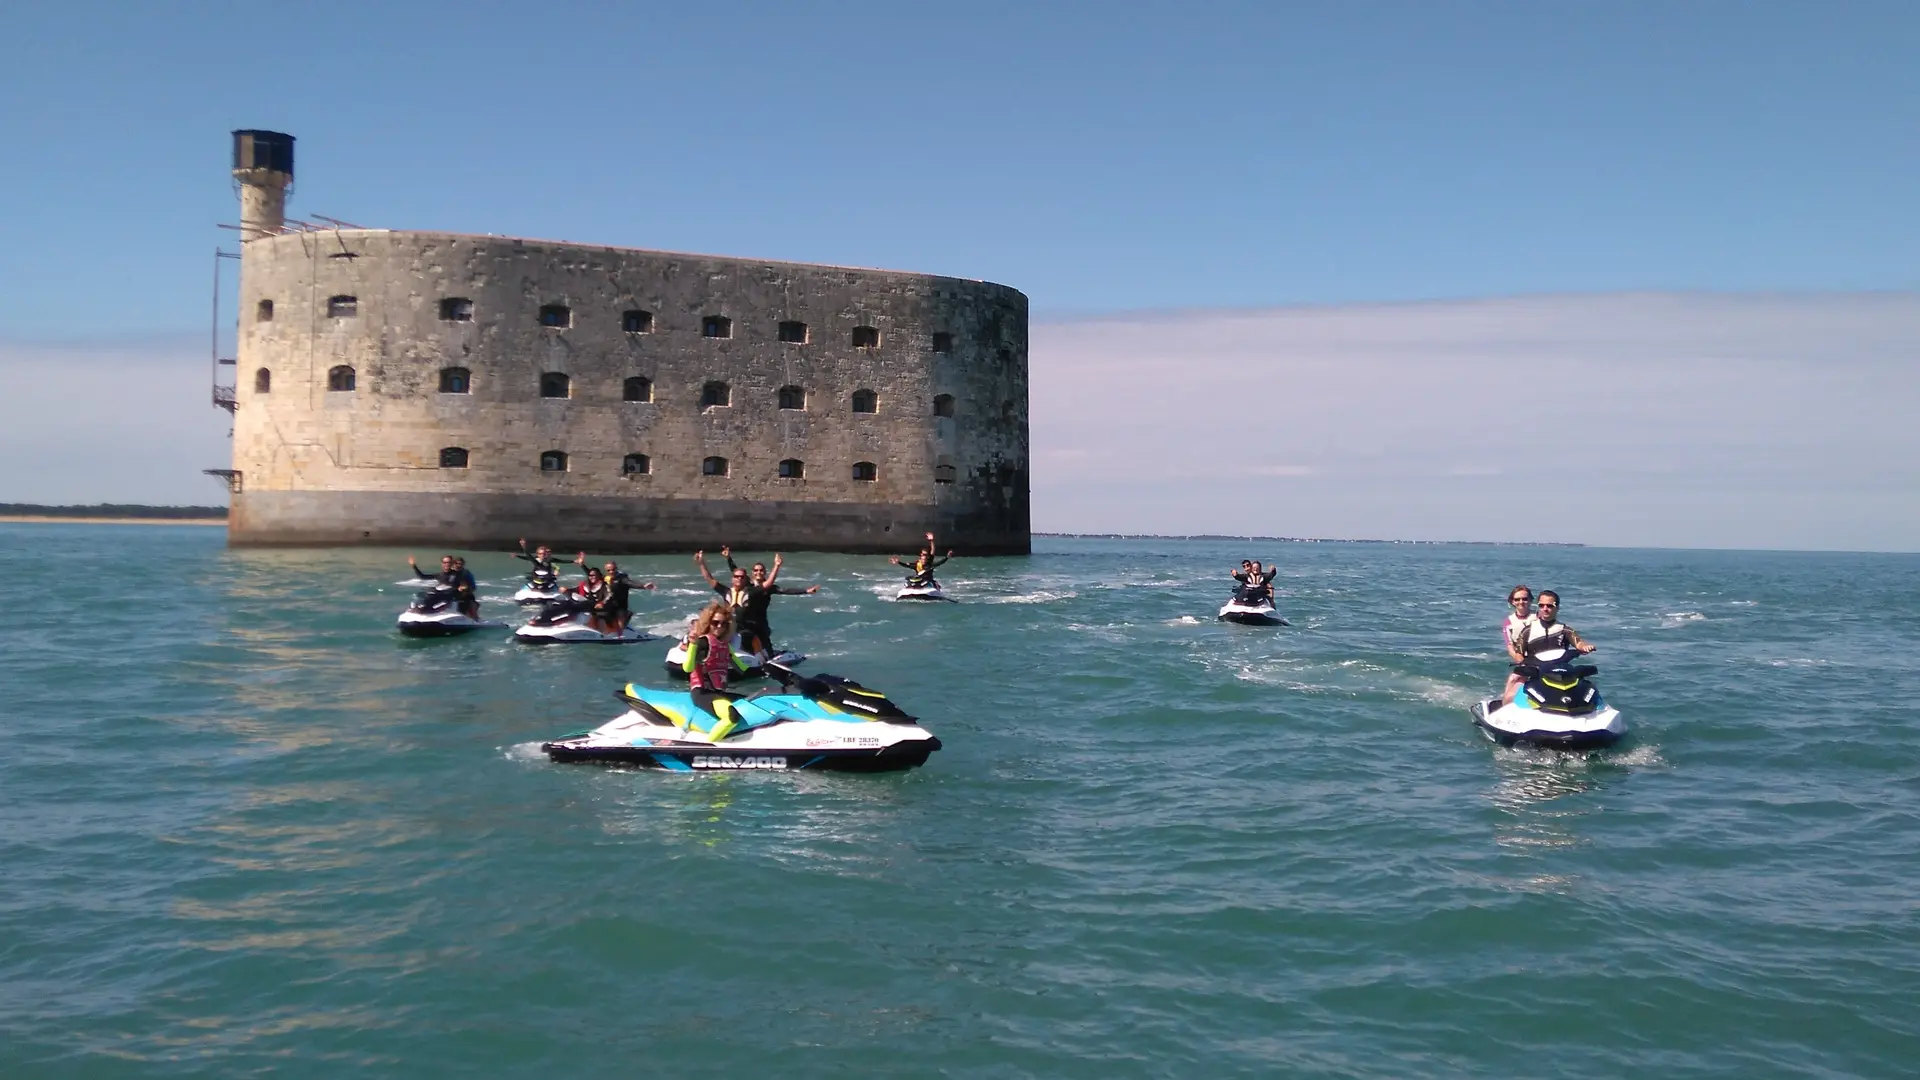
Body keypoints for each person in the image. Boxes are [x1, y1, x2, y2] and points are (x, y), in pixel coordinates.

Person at [1504, 589, 1597, 702]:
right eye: (1541, 605)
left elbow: (1578, 643)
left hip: (1561, 674)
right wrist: (1525, 666)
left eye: (1549, 606)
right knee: (1510, 697)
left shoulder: (1565, 629)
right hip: (1536, 673)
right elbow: (1519, 653)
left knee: (1588, 693)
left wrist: (1585, 647)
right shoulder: (1528, 630)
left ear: (1557, 607)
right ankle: (1500, 715)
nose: (1545, 609)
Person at [725, 548, 818, 652]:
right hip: (747, 621)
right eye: (756, 570)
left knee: (765, 644)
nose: (758, 572)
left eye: (761, 570)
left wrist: (806, 591)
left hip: (761, 621)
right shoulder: (748, 585)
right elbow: (736, 571)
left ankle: (770, 658)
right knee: (744, 641)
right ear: (752, 573)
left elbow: (786, 590)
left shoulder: (770, 587)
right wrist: (728, 558)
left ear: (765, 572)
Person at [576, 554, 656, 634]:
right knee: (594, 612)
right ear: (606, 570)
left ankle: (624, 624)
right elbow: (592, 575)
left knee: (620, 629)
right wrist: (582, 564)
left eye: (613, 569)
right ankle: (594, 630)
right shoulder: (605, 578)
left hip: (620, 608)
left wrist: (643, 586)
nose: (611, 572)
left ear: (616, 568)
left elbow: (631, 583)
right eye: (608, 570)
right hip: (608, 606)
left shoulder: (622, 579)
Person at [408, 554, 478, 618]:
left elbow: (466, 585)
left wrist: (464, 587)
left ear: (452, 564)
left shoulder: (459, 574)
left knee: (444, 594)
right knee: (424, 595)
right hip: (440, 595)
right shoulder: (439, 575)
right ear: (442, 564)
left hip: (452, 596)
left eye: (449, 562)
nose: (447, 564)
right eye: (445, 562)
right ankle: (422, 609)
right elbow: (422, 576)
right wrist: (413, 565)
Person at [1500, 584, 1534, 703]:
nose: (1521, 602)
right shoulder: (1508, 622)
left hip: (1541, 662)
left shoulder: (1539, 618)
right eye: (1517, 599)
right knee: (1513, 679)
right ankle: (1503, 708)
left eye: (1525, 599)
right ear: (1512, 602)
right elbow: (1510, 647)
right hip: (1524, 663)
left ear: (1530, 600)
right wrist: (1520, 659)